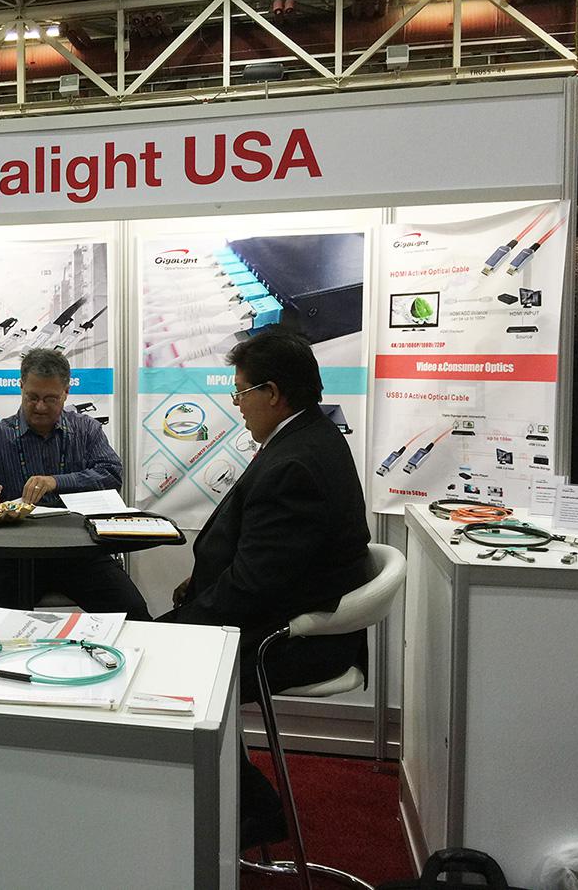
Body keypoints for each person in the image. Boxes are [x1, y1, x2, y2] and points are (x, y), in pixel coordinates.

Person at [161, 327, 371, 849]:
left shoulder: (295, 463)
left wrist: (177, 628)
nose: (237, 405)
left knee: (156, 666)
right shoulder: (309, 437)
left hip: (292, 639)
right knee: (158, 645)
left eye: (241, 393)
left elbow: (254, 587)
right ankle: (237, 800)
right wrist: (200, 586)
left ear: (272, 393)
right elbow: (267, 561)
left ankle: (246, 809)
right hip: (283, 616)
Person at [0, 348, 151, 621]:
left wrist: (56, 482)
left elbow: (111, 475)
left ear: (66, 393)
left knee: (135, 617)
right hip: (13, 557)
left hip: (81, 554)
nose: (40, 407)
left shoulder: (86, 431)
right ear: (21, 387)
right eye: (32, 397)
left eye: (51, 399)